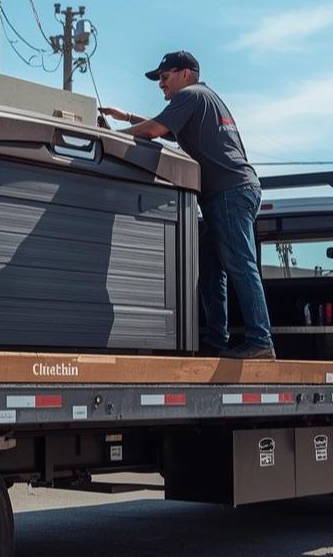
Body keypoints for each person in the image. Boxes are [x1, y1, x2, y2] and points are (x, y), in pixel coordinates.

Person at [99, 51, 275, 360]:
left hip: (229, 193)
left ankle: (261, 340)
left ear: (185, 74)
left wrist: (107, 136)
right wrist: (126, 117)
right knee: (210, 266)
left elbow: (154, 131)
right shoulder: (205, 98)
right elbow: (165, 128)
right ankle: (217, 340)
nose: (161, 84)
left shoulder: (190, 95)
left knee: (239, 264)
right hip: (234, 191)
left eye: (164, 77)